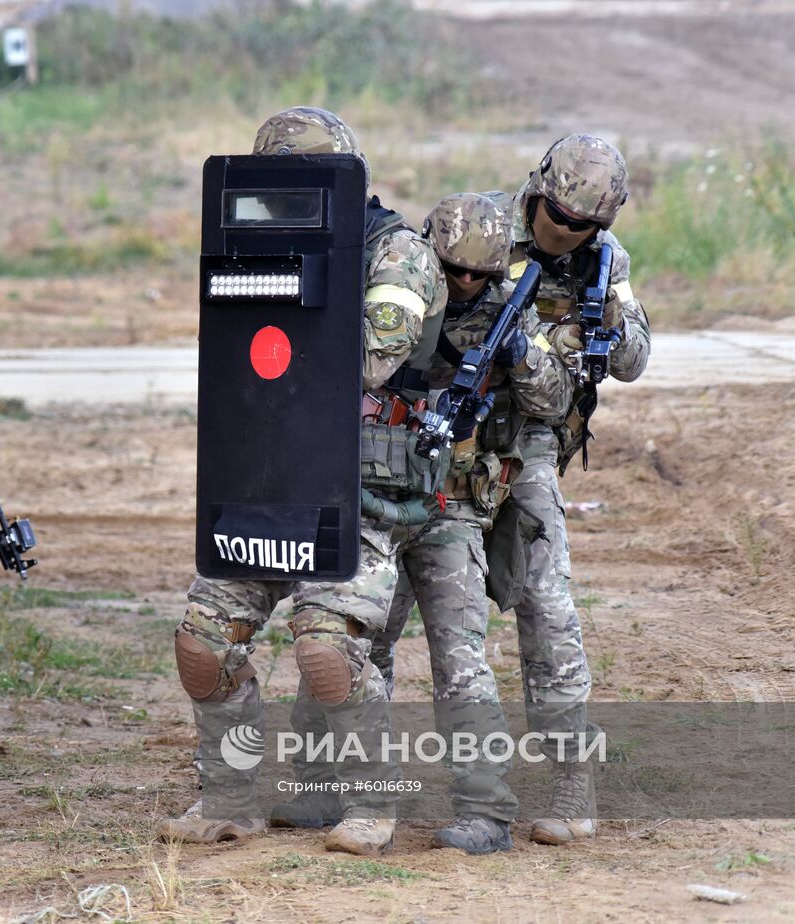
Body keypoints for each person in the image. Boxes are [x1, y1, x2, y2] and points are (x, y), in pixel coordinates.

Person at [158, 107, 448, 857]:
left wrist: (284, 295)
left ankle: (370, 801)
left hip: (365, 493)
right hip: (266, 476)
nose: (283, 207)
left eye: (305, 191)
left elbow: (370, 359)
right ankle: (229, 797)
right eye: (270, 192)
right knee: (202, 643)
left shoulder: (399, 253)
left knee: (326, 650)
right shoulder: (243, 251)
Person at [369, 193, 574, 853]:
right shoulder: (396, 291)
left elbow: (553, 401)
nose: (462, 283)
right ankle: (332, 790)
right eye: (451, 267)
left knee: (459, 656)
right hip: (379, 498)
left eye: (477, 274)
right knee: (353, 643)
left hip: (450, 506)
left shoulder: (507, 313)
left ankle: (486, 811)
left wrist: (519, 351)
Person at [505, 133, 651, 845]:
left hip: (531, 443)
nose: (564, 234)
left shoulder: (604, 260)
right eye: (557, 218)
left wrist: (608, 312)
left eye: (584, 226)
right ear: (536, 193)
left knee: (547, 604)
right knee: (379, 604)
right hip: (447, 439)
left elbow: (634, 360)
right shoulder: (480, 233)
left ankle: (570, 784)